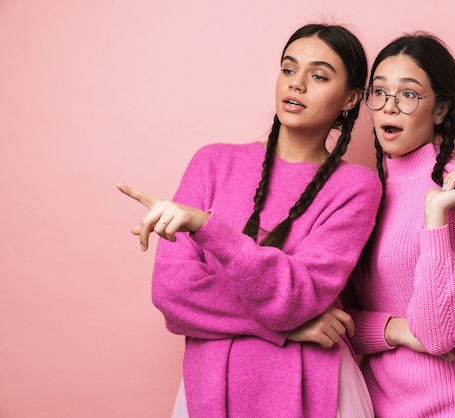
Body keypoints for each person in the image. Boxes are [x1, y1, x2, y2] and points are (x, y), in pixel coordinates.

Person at [117, 23, 381, 417]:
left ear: (350, 98)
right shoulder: (213, 162)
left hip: (311, 391)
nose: (297, 84)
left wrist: (208, 228)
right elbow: (172, 294)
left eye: (319, 75)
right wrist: (281, 328)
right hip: (211, 388)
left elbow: (298, 296)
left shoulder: (356, 187)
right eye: (289, 69)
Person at [338, 32, 455, 417]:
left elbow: (440, 335)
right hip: (389, 408)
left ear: (440, 110)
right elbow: (340, 317)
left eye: (408, 95)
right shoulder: (367, 192)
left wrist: (434, 217)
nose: (389, 107)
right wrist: (397, 330)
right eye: (380, 92)